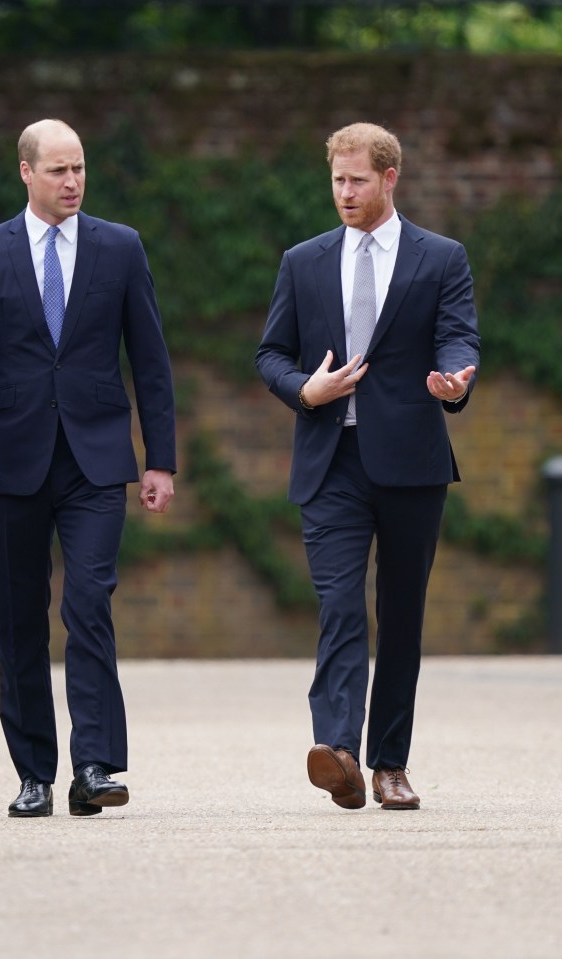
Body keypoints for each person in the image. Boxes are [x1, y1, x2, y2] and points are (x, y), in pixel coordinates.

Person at [0, 118, 176, 818]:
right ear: (26, 172)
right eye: (58, 170)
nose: (72, 181)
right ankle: (34, 772)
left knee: (89, 602)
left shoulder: (120, 248)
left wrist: (159, 459)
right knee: (19, 619)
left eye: (79, 168)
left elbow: (152, 362)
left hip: (98, 459)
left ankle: (95, 764)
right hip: (9, 460)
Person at [256, 122, 479, 811]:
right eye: (336, 180)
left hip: (411, 459)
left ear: (389, 178)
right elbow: (271, 354)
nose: (344, 192)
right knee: (340, 604)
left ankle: (389, 764)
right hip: (331, 461)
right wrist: (305, 388)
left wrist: (453, 380)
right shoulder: (304, 261)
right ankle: (340, 752)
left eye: (356, 180)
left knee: (402, 614)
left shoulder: (440, 258)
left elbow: (458, 334)